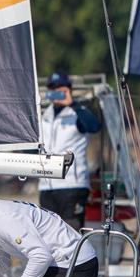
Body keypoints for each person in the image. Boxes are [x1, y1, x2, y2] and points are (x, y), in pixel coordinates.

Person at [39, 72, 101, 231]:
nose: (56, 91)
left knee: (71, 232)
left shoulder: (79, 111)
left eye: (60, 88)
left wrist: (71, 104)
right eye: (52, 88)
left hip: (72, 184)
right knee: (48, 233)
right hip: (47, 185)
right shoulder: (46, 114)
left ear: (69, 90)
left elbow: (94, 126)